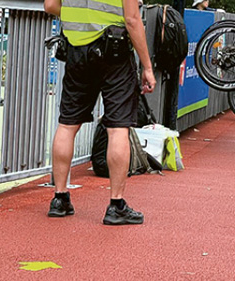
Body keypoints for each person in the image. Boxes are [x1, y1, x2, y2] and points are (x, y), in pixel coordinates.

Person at [43, 0, 156, 225]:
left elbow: (50, 6)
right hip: (114, 51)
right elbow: (132, 20)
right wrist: (147, 67)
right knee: (117, 128)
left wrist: (81, 21)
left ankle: (60, 198)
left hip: (76, 51)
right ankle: (116, 205)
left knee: (67, 124)